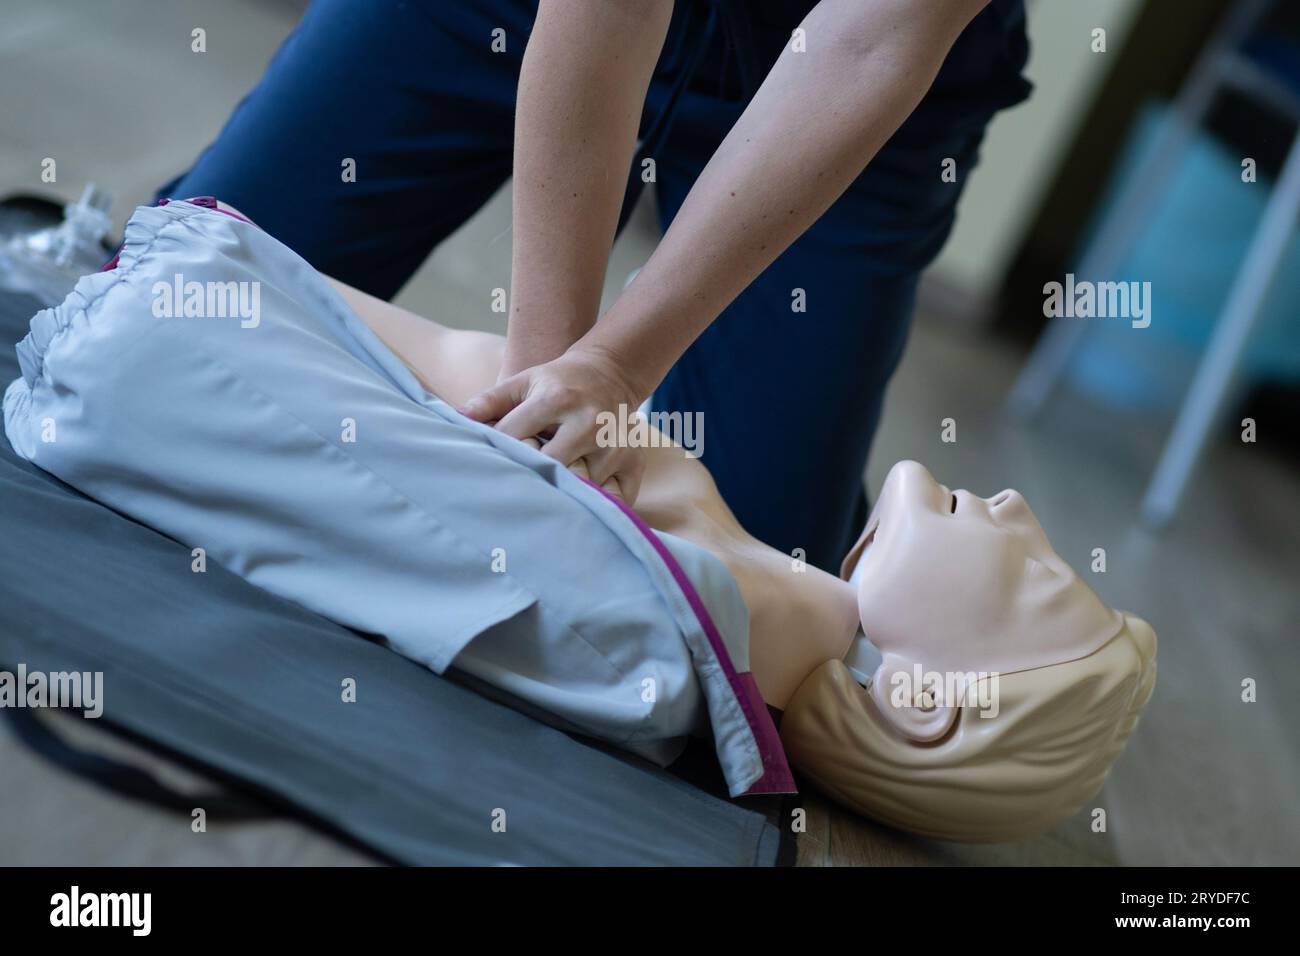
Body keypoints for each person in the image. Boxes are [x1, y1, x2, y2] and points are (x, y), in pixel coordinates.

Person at [158, 0, 1033, 571]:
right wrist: (544, 415)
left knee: (763, 565)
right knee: (170, 323)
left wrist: (611, 373)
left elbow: (870, 38)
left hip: (854, 63)